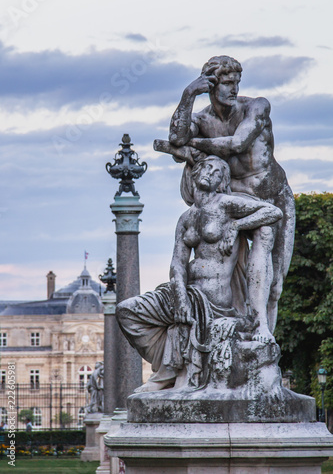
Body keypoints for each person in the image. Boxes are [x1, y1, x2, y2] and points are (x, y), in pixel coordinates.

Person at [117, 156, 282, 392]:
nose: (209, 172)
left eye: (217, 172)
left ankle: (171, 370)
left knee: (265, 230)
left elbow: (273, 212)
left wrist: (237, 226)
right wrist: (180, 296)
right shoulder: (186, 218)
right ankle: (168, 368)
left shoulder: (226, 204)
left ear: (222, 182)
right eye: (206, 167)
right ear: (196, 174)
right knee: (126, 311)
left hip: (213, 299)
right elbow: (177, 263)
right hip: (187, 292)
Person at [163, 55, 295, 340]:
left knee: (275, 286)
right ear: (210, 85)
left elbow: (238, 143)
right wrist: (188, 95)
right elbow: (176, 137)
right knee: (232, 263)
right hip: (233, 199)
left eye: (236, 82)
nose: (233, 89)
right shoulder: (202, 119)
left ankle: (263, 342)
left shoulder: (256, 106)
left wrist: (192, 144)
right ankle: (251, 328)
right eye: (226, 83)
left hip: (274, 197)